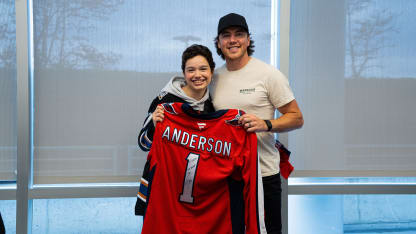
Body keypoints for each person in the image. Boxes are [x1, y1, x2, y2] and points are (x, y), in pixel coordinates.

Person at [210, 13, 304, 234]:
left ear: (248, 40)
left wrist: (266, 124)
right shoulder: (213, 79)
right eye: (226, 35)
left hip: (263, 174)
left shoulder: (268, 75)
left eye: (239, 34)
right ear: (218, 42)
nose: (233, 40)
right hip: (225, 176)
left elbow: (297, 117)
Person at [137, 44, 216, 152]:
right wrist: (154, 127)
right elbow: (143, 145)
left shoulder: (212, 103)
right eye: (191, 70)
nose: (197, 75)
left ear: (212, 71)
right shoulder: (165, 100)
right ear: (184, 73)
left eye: (203, 69)